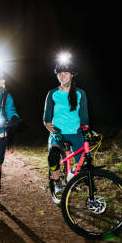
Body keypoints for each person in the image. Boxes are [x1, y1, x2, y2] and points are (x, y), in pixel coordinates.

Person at [43, 58, 89, 194]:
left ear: (72, 74)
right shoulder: (52, 94)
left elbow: (85, 118)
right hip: (58, 132)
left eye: (66, 73)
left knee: (85, 164)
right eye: (60, 74)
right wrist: (53, 132)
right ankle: (57, 182)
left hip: (76, 132)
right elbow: (47, 120)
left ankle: (79, 183)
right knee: (53, 155)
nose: (62, 76)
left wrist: (85, 131)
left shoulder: (80, 93)